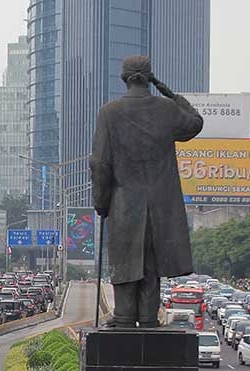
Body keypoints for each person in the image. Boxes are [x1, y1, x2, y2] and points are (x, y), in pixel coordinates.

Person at [89, 55, 203, 327]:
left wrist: (101, 202)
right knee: (151, 267)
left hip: (124, 203)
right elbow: (195, 122)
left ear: (124, 77)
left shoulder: (109, 112)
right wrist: (167, 90)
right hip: (160, 208)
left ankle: (125, 317)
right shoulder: (166, 110)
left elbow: (100, 164)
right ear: (148, 77)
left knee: (125, 264)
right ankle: (149, 319)